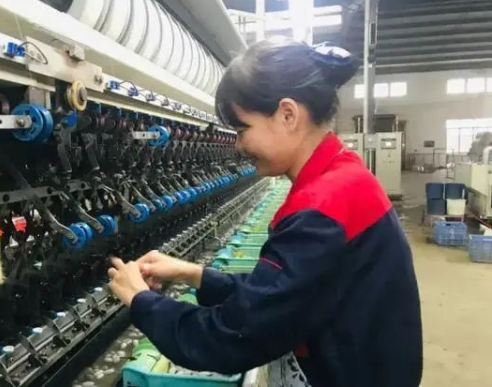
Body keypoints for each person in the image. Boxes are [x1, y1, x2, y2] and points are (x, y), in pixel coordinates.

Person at [107, 37, 423, 387]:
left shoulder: (320, 210)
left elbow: (234, 336)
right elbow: (282, 294)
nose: (238, 145)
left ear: (288, 115)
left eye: (242, 130)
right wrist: (193, 273)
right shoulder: (342, 174)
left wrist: (141, 301)